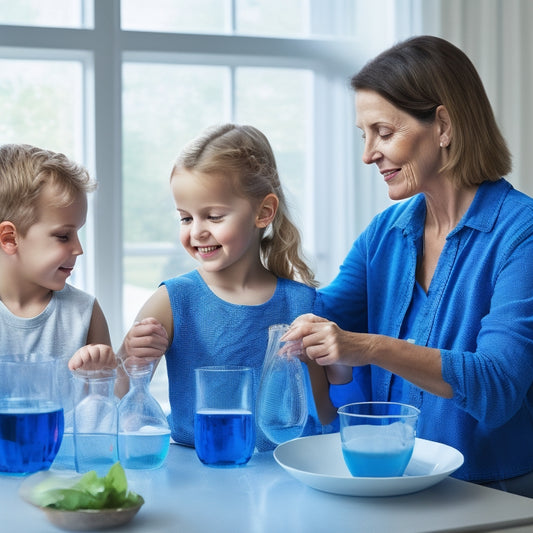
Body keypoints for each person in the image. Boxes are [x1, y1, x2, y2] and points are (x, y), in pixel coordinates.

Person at [282, 35, 533, 497]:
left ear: (442, 125)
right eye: (364, 135)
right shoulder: (387, 232)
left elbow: (498, 385)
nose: (368, 154)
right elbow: (321, 314)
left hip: (494, 497)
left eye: (384, 132)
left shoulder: (522, 233)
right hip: (395, 486)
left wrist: (372, 348)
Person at [117, 123, 340, 450]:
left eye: (214, 216)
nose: (196, 232)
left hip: (278, 476)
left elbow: (323, 416)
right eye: (186, 218)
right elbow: (122, 407)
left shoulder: (302, 304)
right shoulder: (171, 300)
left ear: (263, 213)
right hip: (193, 473)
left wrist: (322, 365)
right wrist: (129, 357)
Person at [0, 143, 115, 370]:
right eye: (63, 236)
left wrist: (96, 377)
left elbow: (106, 400)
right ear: (10, 239)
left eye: (77, 233)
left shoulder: (85, 311)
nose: (78, 249)